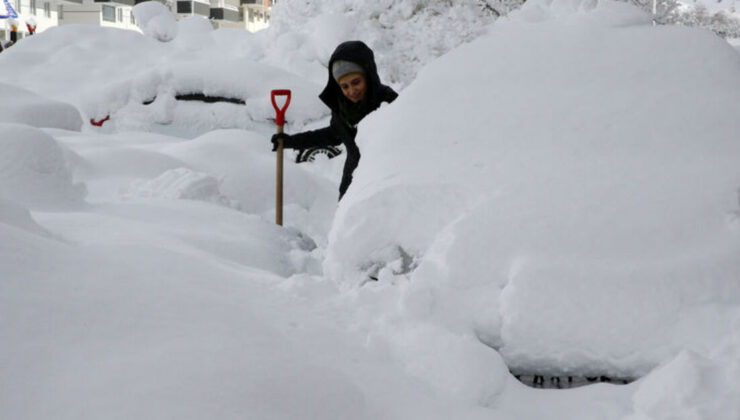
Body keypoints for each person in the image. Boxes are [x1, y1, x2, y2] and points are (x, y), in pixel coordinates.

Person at [271, 40, 398, 200]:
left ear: (368, 75)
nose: (351, 91)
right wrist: (291, 142)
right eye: (344, 86)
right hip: (352, 182)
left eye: (356, 82)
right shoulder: (342, 107)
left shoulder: (388, 101)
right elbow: (333, 135)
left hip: (384, 181)